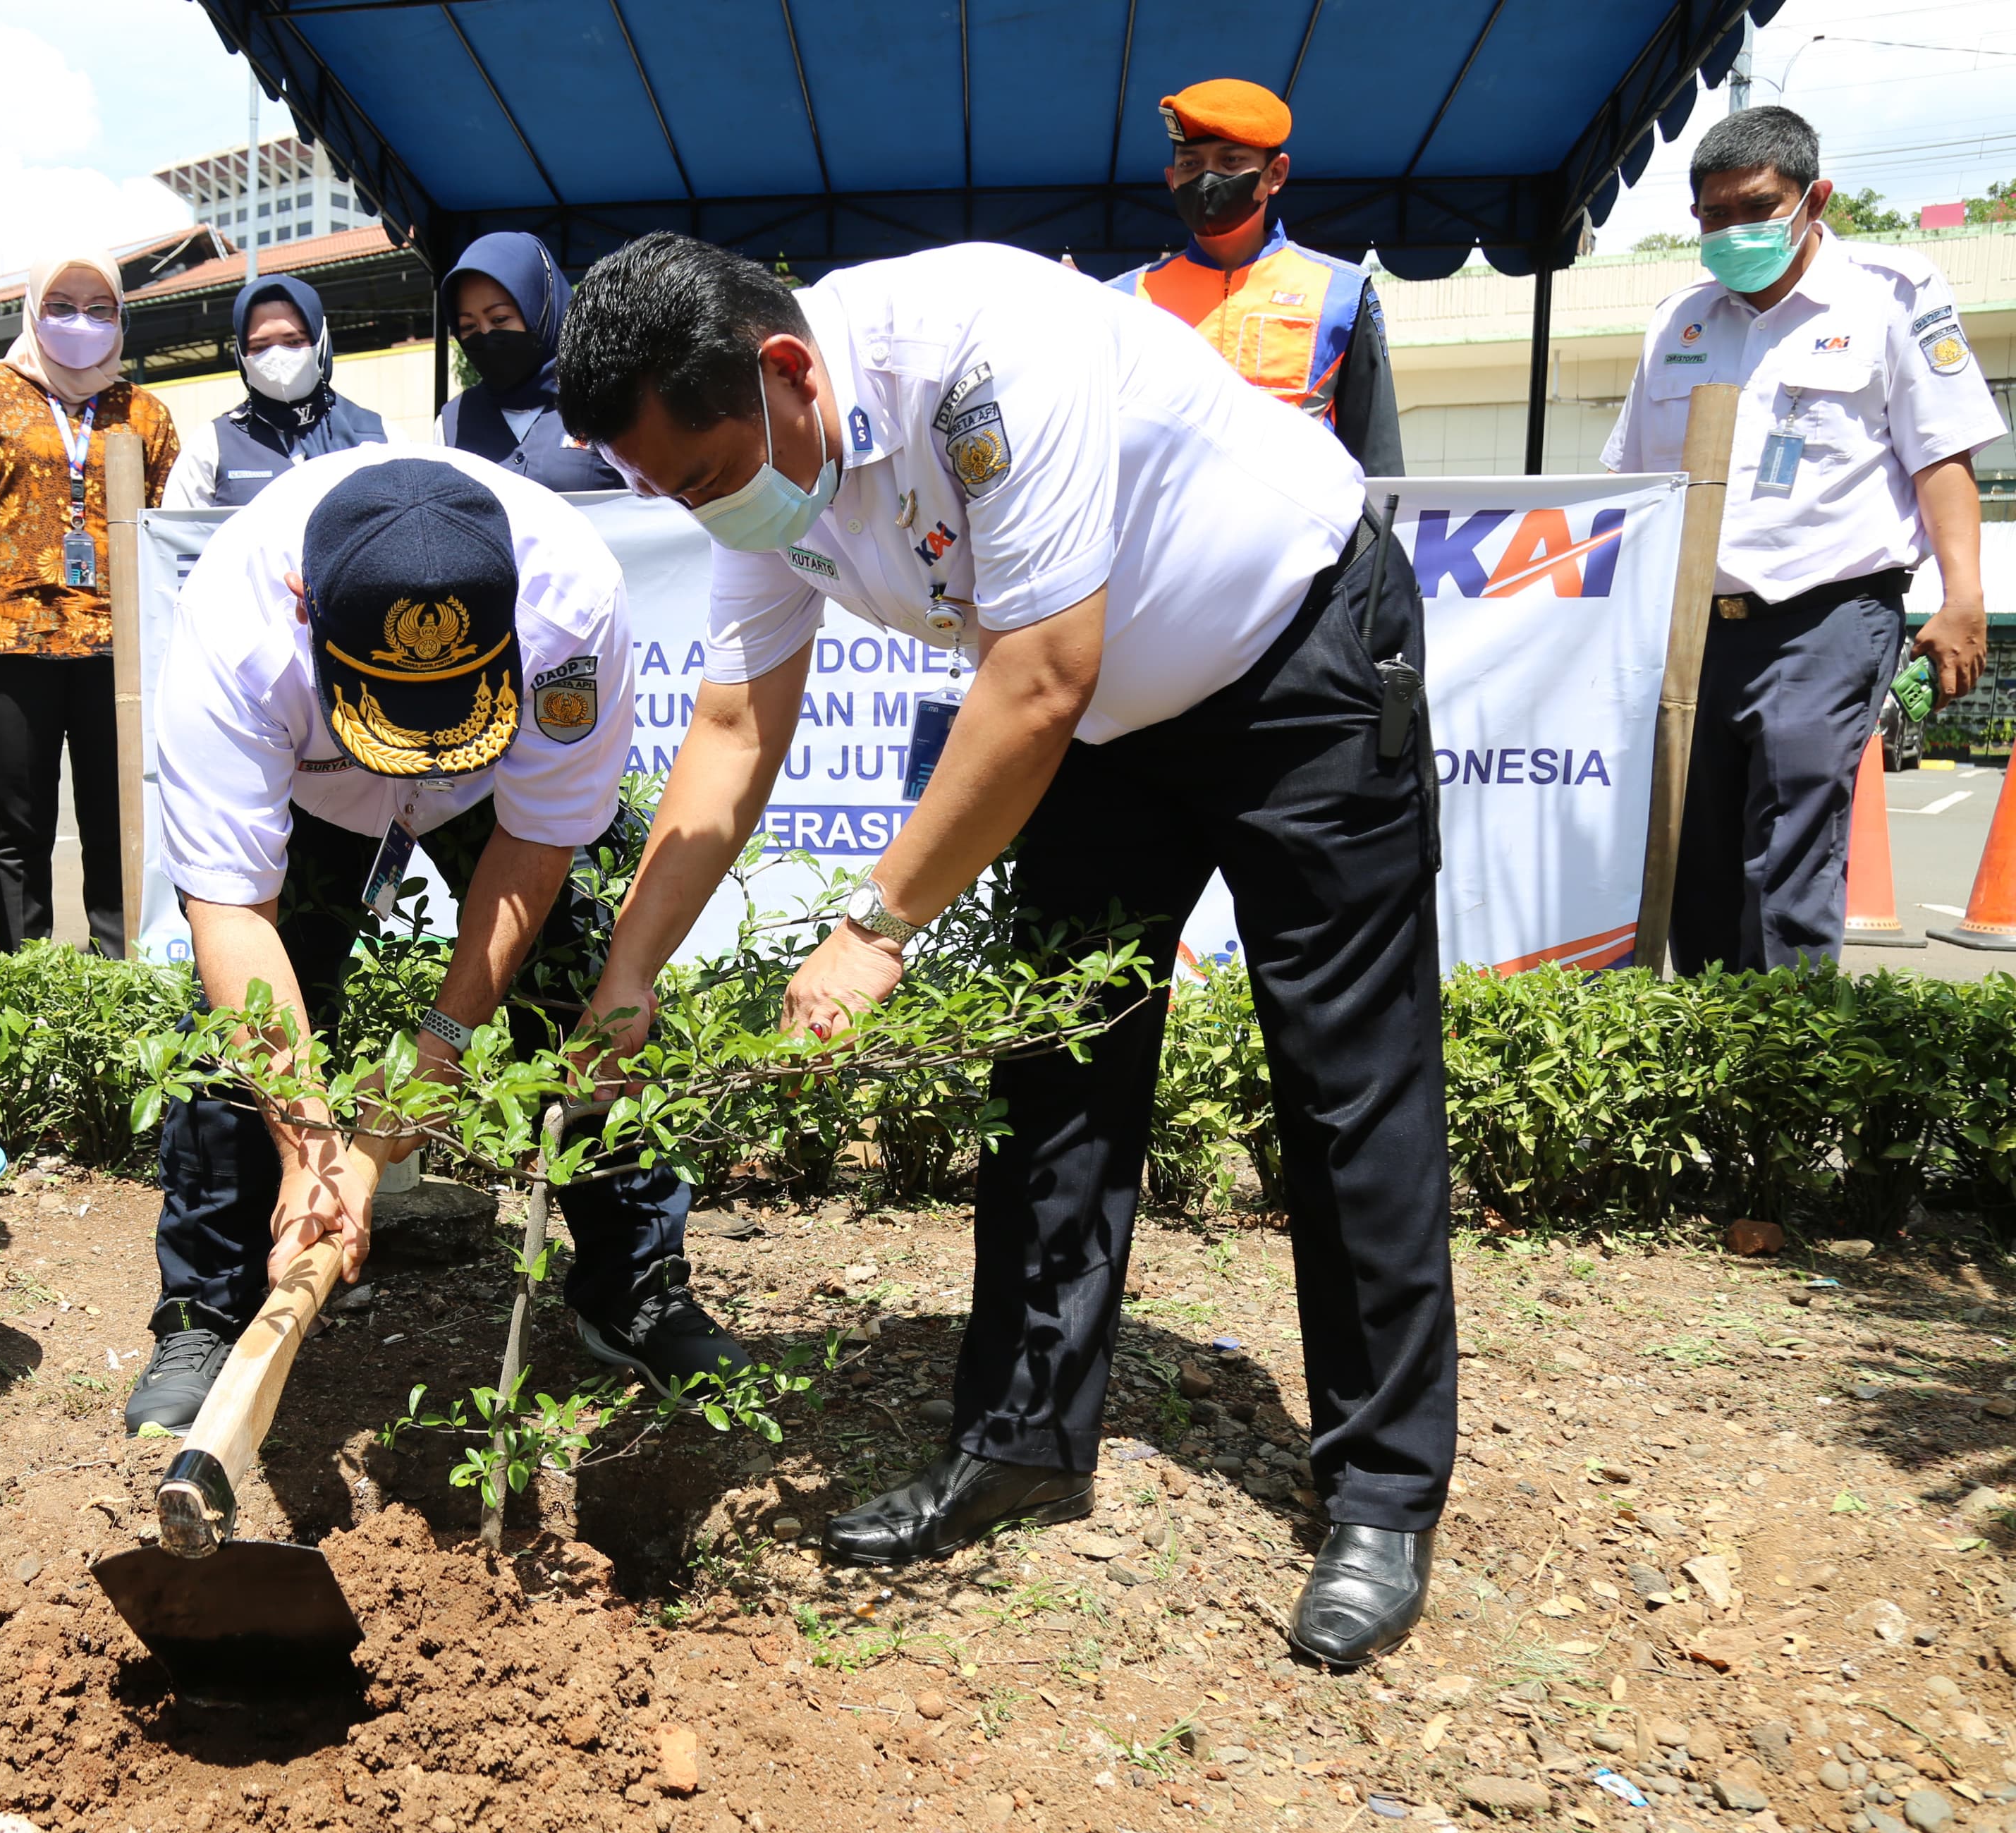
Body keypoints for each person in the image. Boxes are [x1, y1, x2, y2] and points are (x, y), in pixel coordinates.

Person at [557, 232, 1458, 1668]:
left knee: (1347, 1085)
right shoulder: (762, 480)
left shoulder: (981, 351)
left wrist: (875, 930)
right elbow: (732, 732)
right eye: (667, 493)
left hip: (1298, 663)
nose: (706, 513)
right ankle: (1024, 1437)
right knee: (1056, 1074)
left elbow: (1037, 678)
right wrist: (628, 974)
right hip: (1100, 723)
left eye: (709, 477)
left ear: (786, 371)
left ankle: (1381, 1490)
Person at [129, 450, 742, 1434]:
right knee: (234, 1033)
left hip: (488, 790)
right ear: (304, 605)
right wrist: (318, 1146)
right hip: (313, 781)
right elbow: (234, 912)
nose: (415, 746)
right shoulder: (235, 625)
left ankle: (634, 1281)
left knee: (579, 991)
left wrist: (438, 1056)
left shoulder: (570, 600)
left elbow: (540, 836)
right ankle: (207, 1304)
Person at [1603, 106, 2000, 972]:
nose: (1730, 231)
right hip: (1692, 630)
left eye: (1755, 208)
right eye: (1712, 214)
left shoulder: (1890, 296)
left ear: (1812, 198)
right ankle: (1712, 1050)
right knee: (1690, 852)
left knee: (1786, 849)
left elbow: (1940, 457)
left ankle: (1782, 1063)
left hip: (1825, 618)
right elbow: (1633, 487)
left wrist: (1962, 597)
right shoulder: (1677, 321)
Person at [0, 239, 178, 956]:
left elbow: (167, 530)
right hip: (10, 640)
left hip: (116, 650)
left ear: (121, 317)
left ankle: (117, 964)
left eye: (98, 308)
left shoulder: (144, 412)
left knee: (114, 815)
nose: (78, 321)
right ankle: (24, 973)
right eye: (61, 306)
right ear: (31, 309)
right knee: (20, 821)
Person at [1104, 78, 1401, 476]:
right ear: (1171, 179)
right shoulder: (1121, 301)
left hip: (1297, 534)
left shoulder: (1341, 293)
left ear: (1275, 174)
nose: (1207, 180)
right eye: (1190, 164)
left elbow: (1377, 460)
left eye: (1230, 162)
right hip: (1160, 535)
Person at [168, 274, 390, 509]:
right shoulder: (211, 446)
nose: (277, 357)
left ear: (321, 342)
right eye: (260, 347)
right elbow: (176, 539)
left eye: (294, 341)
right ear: (241, 354)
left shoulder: (379, 436)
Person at [439, 232, 623, 492]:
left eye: (500, 320)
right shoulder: (451, 424)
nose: (487, 336)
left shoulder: (607, 403)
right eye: (469, 326)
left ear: (543, 311)